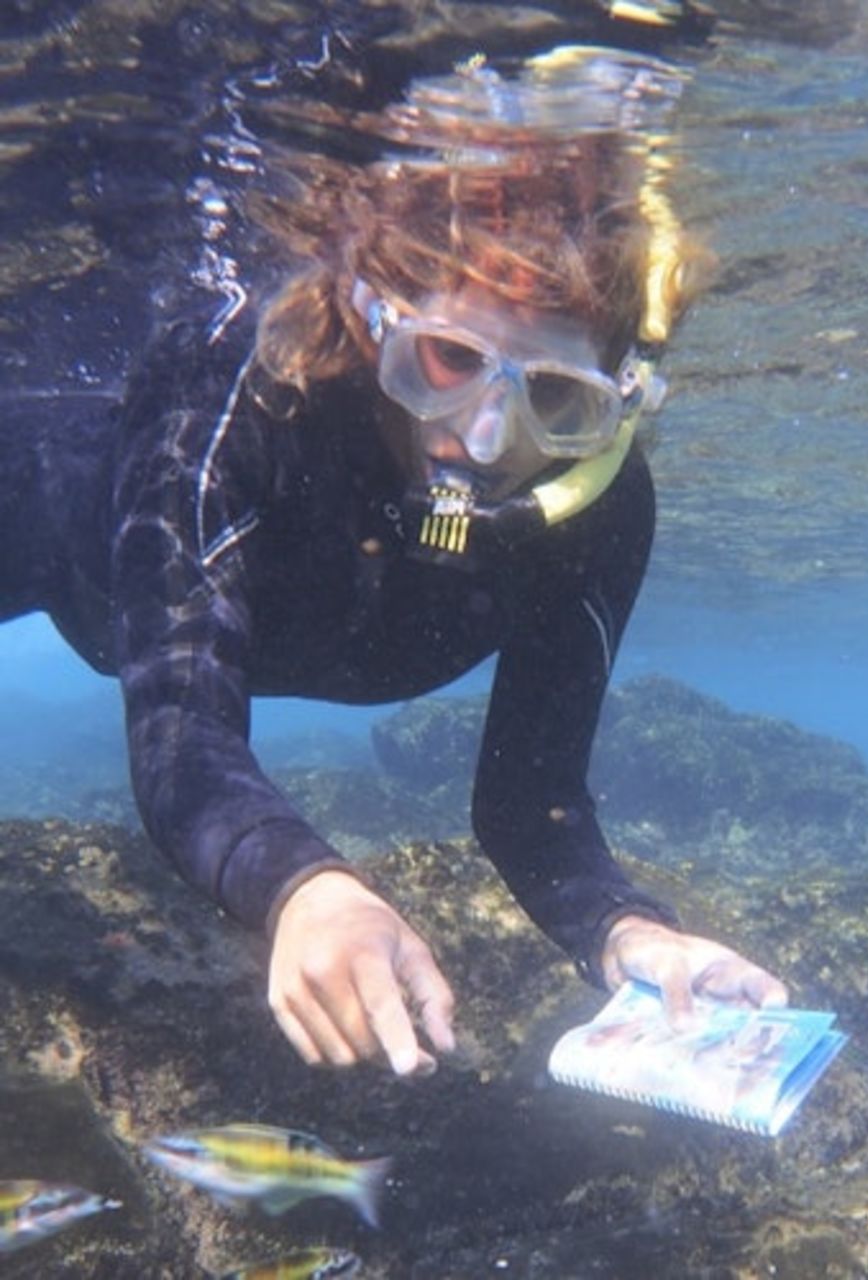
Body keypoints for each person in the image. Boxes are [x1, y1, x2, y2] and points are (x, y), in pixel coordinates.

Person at [0, 44, 786, 1076]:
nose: (487, 432)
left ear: (613, 402)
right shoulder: (243, 390)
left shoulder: (599, 511)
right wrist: (303, 884)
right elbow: (181, 731)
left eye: (556, 398)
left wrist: (628, 931)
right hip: (50, 531)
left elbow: (530, 802)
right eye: (447, 359)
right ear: (372, 319)